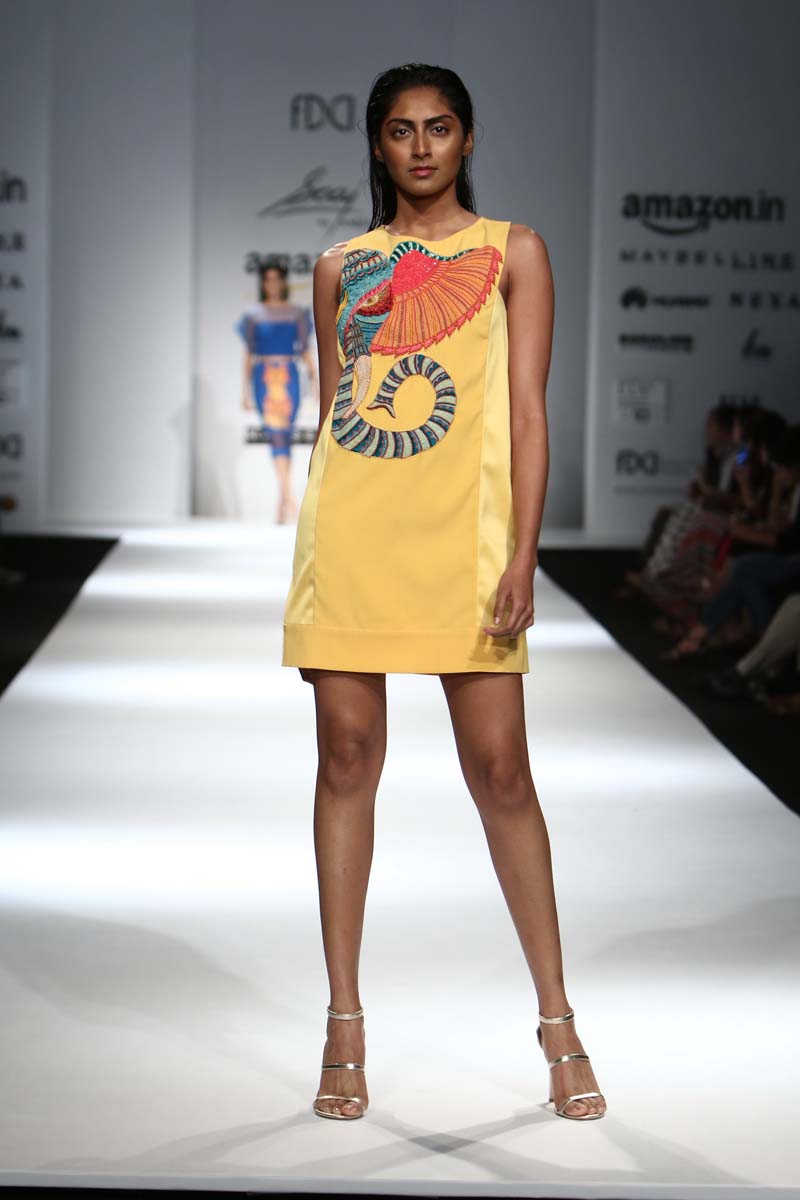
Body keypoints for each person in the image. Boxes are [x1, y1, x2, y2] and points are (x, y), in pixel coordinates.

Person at [281, 63, 606, 1123]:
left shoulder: (513, 251)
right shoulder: (338, 267)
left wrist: (522, 554)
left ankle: (557, 1021)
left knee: (501, 773)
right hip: (354, 534)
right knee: (345, 760)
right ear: (376, 145)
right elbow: (336, 413)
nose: (419, 147)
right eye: (399, 130)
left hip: (465, 543)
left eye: (438, 128)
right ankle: (342, 1022)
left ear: (466, 139)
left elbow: (528, 413)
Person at [236, 260, 317, 523]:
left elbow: (305, 350)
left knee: (285, 434)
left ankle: (284, 500)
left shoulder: (296, 313)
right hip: (264, 378)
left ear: (283, 282)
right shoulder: (253, 315)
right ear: (262, 283)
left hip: (288, 376)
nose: (272, 284)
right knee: (275, 434)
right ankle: (287, 498)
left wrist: (316, 382)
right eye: (267, 279)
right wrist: (245, 392)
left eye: (276, 279)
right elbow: (249, 353)